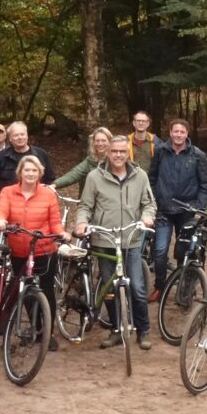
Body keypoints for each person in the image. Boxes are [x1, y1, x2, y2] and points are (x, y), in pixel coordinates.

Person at [74, 136, 158, 350]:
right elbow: (85, 206)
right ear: (108, 153)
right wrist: (82, 222)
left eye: (122, 151)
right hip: (104, 240)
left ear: (128, 153)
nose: (118, 155)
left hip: (131, 239)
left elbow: (149, 203)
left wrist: (147, 216)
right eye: (114, 151)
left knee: (138, 288)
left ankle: (143, 330)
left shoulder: (140, 176)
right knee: (109, 287)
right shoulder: (95, 177)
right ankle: (116, 329)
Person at [0, 155, 70, 351]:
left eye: (34, 170)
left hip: (44, 249)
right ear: (20, 172)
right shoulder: (8, 192)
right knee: (24, 290)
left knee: (46, 290)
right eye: (27, 170)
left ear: (40, 173)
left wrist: (61, 233)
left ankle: (47, 333)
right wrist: (0, 221)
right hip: (19, 250)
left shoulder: (48, 194)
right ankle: (34, 328)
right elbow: (0, 211)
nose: (30, 174)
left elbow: (55, 221)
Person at [147, 118, 207, 301]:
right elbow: (151, 179)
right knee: (159, 252)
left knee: (184, 252)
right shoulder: (160, 152)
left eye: (182, 132)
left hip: (187, 211)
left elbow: (205, 185)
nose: (178, 135)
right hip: (164, 210)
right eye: (175, 131)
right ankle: (160, 286)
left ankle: (185, 288)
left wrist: (198, 207)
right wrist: (154, 201)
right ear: (170, 132)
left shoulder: (197, 155)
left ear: (187, 133)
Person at [52, 127, 113, 193]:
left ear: (110, 141)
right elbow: (75, 173)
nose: (100, 144)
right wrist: (55, 184)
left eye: (103, 141)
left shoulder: (116, 159)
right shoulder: (91, 160)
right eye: (97, 141)